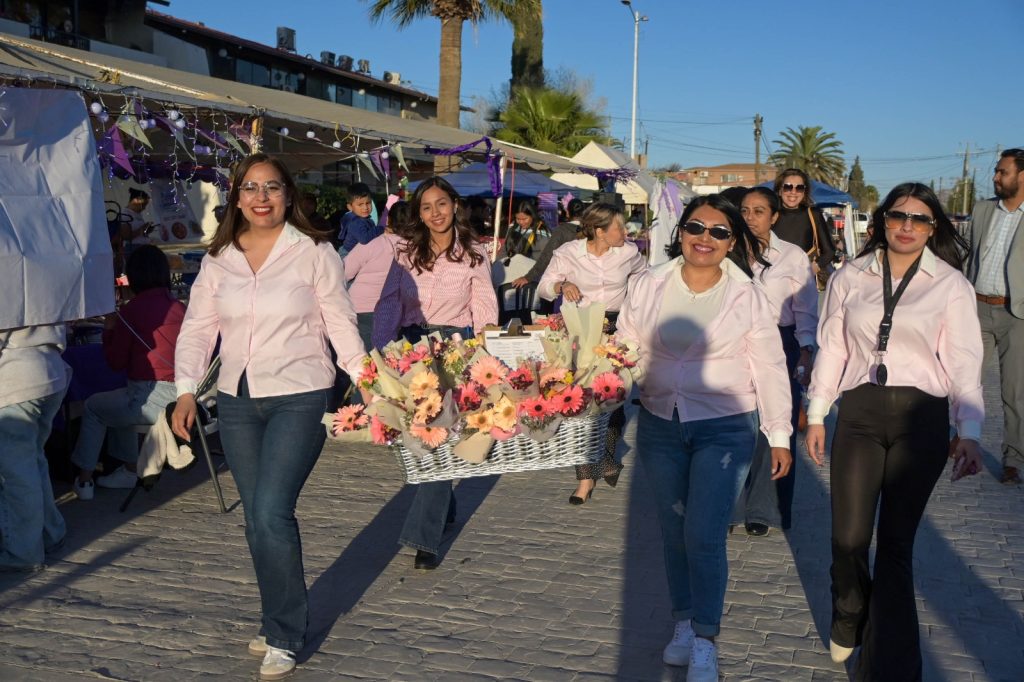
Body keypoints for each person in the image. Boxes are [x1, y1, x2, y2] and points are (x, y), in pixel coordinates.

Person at [171, 153, 368, 680]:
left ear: (288, 195)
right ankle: (275, 616)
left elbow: (340, 321)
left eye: (272, 187)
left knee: (272, 511)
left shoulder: (315, 252)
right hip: (237, 400)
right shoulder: (220, 259)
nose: (262, 197)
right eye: (252, 188)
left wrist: (367, 380)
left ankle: (284, 633)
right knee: (256, 519)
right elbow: (198, 329)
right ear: (237, 198)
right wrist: (186, 390)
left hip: (300, 394)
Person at [805, 183, 984, 680]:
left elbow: (964, 363)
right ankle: (849, 609)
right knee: (848, 538)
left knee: (896, 548)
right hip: (860, 413)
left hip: (921, 420)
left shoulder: (950, 285)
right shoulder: (851, 275)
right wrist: (817, 413)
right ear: (882, 220)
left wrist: (968, 430)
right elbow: (833, 347)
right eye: (898, 216)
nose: (907, 226)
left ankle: (889, 669)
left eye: (919, 219)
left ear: (932, 228)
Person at [616, 194, 793, 680]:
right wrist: (602, 384)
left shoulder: (748, 295)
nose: (705, 238)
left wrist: (779, 433)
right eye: (696, 227)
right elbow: (626, 343)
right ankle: (683, 622)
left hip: (726, 424)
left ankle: (706, 637)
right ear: (681, 232)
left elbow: (770, 366)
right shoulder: (649, 283)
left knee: (704, 532)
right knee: (674, 531)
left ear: (732, 242)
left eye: (719, 232)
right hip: (659, 422)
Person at [373, 177, 499, 571]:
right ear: (419, 213)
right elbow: (389, 303)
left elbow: (485, 308)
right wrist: (379, 354)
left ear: (454, 205)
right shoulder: (405, 252)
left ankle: (423, 536)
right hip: (411, 348)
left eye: (441, 204)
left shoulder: (474, 254)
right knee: (421, 433)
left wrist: (483, 358)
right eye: (426, 207)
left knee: (437, 433)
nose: (435, 213)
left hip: (453, 349)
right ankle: (445, 508)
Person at [538, 203, 647, 504]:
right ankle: (585, 479)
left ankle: (607, 456)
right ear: (599, 231)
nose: (626, 232)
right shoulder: (569, 252)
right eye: (619, 227)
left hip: (616, 330)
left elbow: (644, 278)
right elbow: (544, 287)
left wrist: (636, 306)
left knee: (614, 398)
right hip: (580, 329)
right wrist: (561, 284)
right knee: (582, 401)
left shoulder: (628, 252)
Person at [70, 245, 186, 499]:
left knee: (94, 407)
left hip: (149, 399)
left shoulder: (131, 311)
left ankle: (85, 481)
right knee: (114, 401)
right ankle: (128, 468)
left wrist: (109, 328)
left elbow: (115, 361)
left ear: (133, 276)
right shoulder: (178, 307)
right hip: (182, 399)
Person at [734, 187, 818, 535]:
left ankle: (763, 509)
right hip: (734, 343)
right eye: (745, 210)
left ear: (774, 216)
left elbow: (806, 307)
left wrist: (806, 350)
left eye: (758, 211)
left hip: (781, 342)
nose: (750, 217)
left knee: (775, 421)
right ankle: (730, 505)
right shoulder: (728, 250)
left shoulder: (792, 256)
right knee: (735, 421)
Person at [965, 148, 1024, 484]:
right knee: (965, 380)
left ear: (1022, 176)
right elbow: (967, 255)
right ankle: (962, 438)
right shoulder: (983, 209)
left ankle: (1013, 459)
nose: (996, 177)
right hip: (976, 307)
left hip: (1017, 316)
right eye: (997, 171)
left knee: (1014, 392)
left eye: (1003, 172)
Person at [0, 323, 69, 573]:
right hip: (51, 370)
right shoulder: (45, 293)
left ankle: (23, 553)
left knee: (16, 474)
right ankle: (51, 533)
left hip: (16, 378)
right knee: (34, 461)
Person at [343, 200, 408, 351]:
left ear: (388, 220)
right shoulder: (414, 248)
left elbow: (344, 272)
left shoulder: (372, 243)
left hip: (361, 309)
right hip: (395, 312)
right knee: (390, 358)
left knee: (365, 358)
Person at [772, 169, 835, 289]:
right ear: (780, 190)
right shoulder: (770, 215)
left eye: (799, 188)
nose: (793, 192)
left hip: (804, 285)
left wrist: (810, 271)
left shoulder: (813, 214)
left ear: (804, 192)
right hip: (774, 283)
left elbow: (829, 251)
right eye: (788, 187)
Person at [510, 197, 585, 291]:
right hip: (587, 279)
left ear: (567, 212)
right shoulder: (591, 231)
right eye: (518, 219)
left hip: (565, 281)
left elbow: (547, 255)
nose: (521, 222)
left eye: (524, 218)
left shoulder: (562, 230)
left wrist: (528, 277)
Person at [335, 183, 381, 258]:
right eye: (360, 204)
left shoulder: (365, 219)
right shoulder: (355, 222)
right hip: (347, 254)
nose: (365, 207)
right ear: (350, 207)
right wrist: (380, 228)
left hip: (356, 253)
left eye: (368, 203)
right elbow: (364, 238)